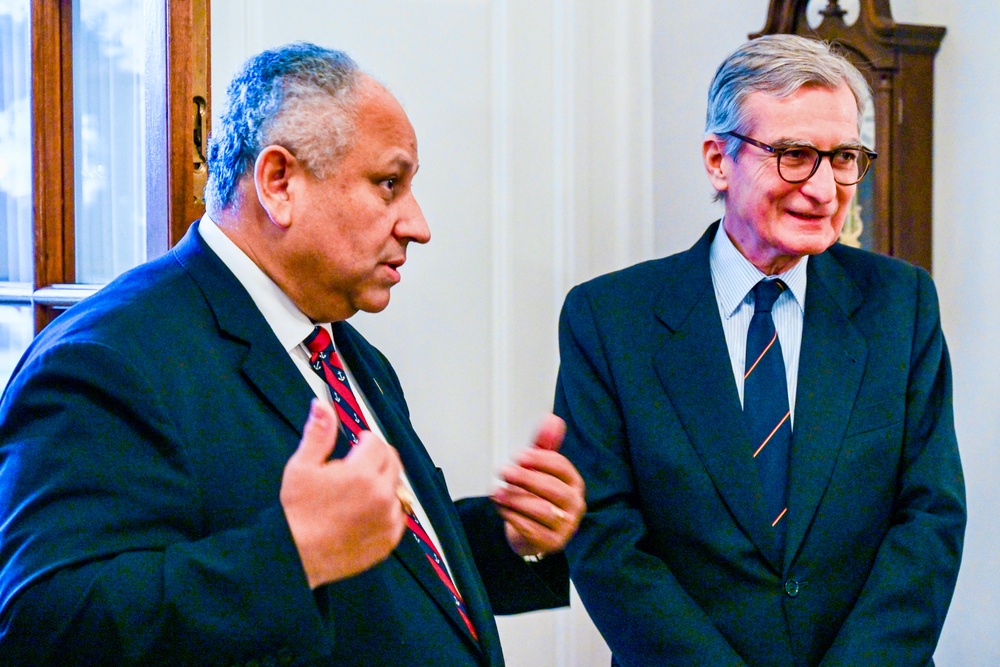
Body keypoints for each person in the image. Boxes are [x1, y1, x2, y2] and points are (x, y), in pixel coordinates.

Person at [0, 42, 585, 666]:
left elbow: (383, 569)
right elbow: (46, 626)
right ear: (279, 183)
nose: (418, 224)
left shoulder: (340, 345)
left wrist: (512, 539)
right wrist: (293, 551)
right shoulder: (108, 358)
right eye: (389, 184)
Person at [555, 34, 965, 667]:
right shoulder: (611, 319)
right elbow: (606, 534)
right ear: (719, 160)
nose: (826, 189)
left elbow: (931, 517)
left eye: (845, 157)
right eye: (796, 155)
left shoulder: (900, 305)